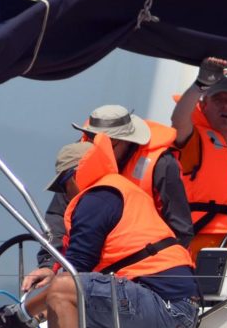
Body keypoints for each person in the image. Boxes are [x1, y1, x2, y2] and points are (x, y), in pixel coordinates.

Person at [13, 136, 199, 328]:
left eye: (64, 185)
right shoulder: (116, 191)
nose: (65, 195)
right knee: (62, 302)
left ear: (74, 175)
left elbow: (74, 275)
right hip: (175, 304)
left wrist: (21, 316)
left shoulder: (96, 198)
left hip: (167, 307)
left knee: (63, 290)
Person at [35, 104, 193, 270]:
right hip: (91, 263)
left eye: (103, 142)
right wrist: (48, 263)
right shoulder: (79, 157)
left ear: (123, 141)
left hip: (146, 268)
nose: (95, 147)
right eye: (91, 139)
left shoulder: (162, 164)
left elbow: (181, 229)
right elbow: (57, 215)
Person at [171, 59, 227, 258]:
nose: (226, 106)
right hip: (192, 248)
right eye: (218, 100)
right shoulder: (194, 139)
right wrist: (200, 85)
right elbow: (178, 121)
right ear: (203, 105)